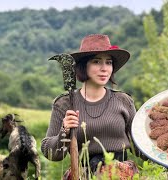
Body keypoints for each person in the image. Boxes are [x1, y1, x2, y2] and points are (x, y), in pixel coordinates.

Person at [41, 34, 137, 177]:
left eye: (108, 62)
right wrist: (64, 131)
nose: (104, 68)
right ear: (83, 66)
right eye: (96, 62)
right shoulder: (65, 103)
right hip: (82, 175)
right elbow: (51, 153)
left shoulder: (123, 101)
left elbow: (140, 147)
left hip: (121, 174)